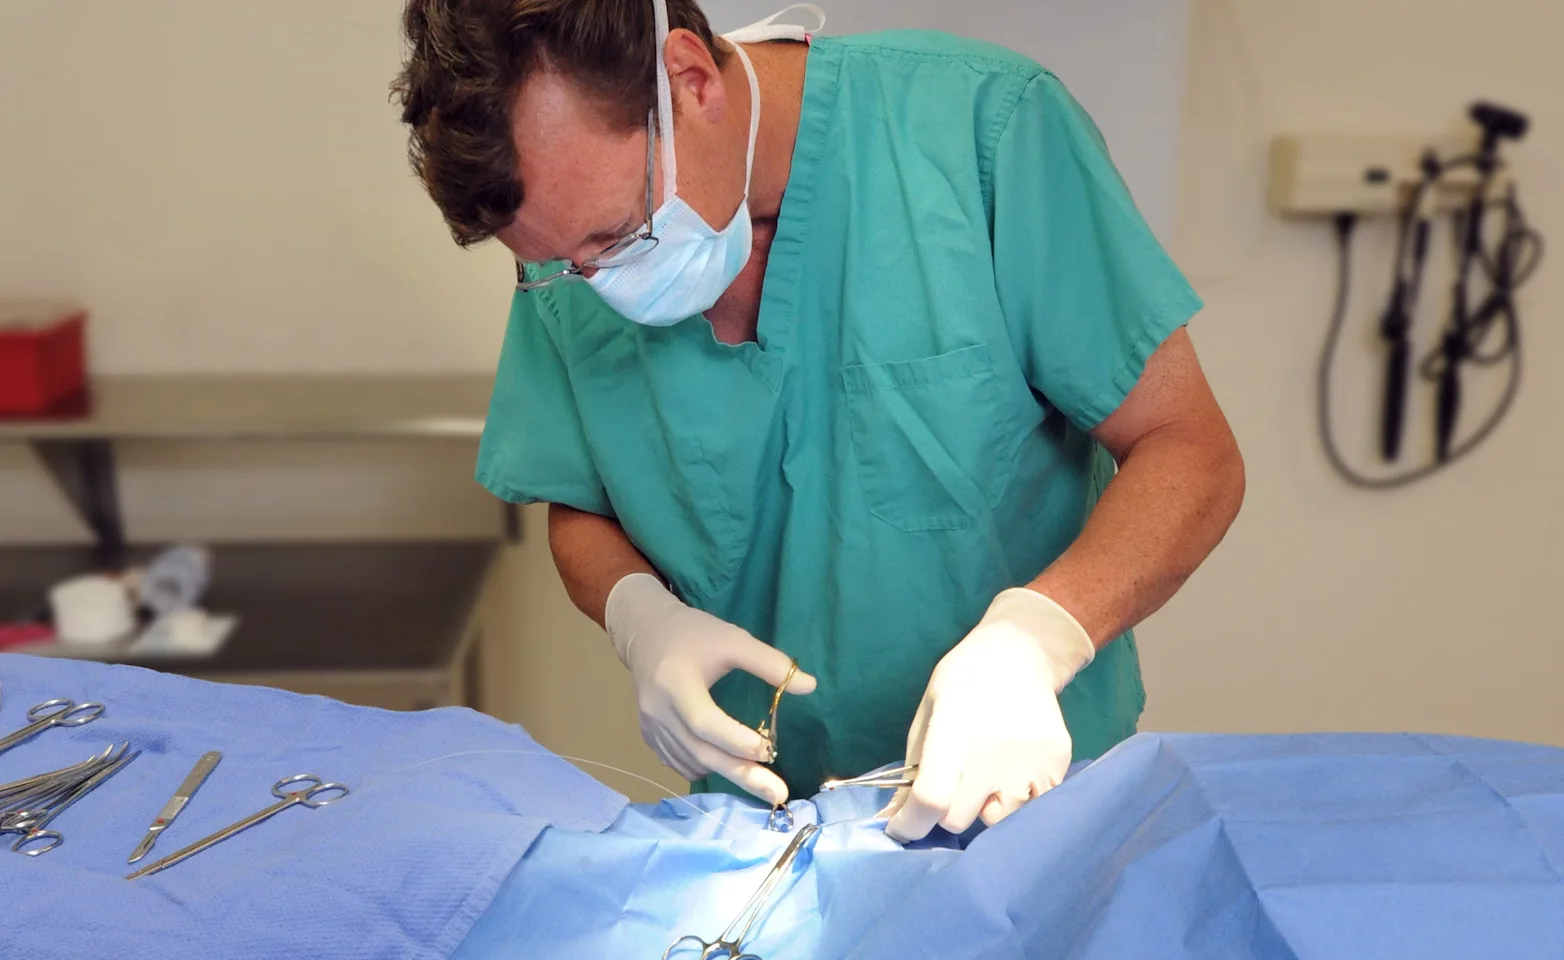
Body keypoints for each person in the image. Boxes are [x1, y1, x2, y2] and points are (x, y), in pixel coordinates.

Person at [392, 0, 1245, 843]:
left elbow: (1189, 451)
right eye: (563, 265)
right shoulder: (570, 261)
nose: (602, 284)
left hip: (1027, 795)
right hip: (763, 824)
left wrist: (1037, 640)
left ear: (688, 79)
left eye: (620, 238)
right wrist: (638, 614)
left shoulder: (981, 132)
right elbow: (579, 498)